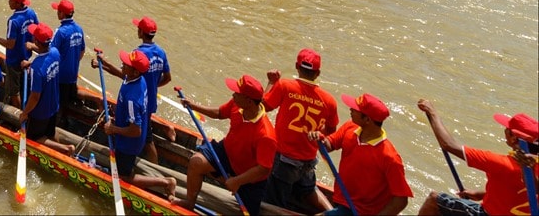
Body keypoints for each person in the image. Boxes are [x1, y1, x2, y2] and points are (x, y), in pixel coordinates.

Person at [173, 75, 277, 216]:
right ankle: (189, 203)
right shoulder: (236, 104)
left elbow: (263, 169)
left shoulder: (266, 135)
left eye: (237, 93)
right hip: (227, 153)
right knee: (196, 162)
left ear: (248, 101)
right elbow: (219, 113)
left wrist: (237, 181)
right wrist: (193, 106)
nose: (233, 95)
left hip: (249, 176)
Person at [416, 100, 538, 216]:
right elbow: (520, 191)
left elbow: (448, 145)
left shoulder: (501, 163)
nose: (505, 132)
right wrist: (481, 194)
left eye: (507, 130)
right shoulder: (533, 165)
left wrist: (432, 113)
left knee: (434, 200)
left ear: (513, 138)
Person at [310, 93, 413, 216]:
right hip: (342, 199)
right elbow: (329, 145)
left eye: (355, 109)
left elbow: (401, 200)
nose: (350, 109)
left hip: (362, 211)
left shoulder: (389, 157)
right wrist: (320, 139)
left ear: (367, 120)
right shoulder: (350, 127)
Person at [262, 49, 339, 213]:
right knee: (308, 189)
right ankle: (333, 212)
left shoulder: (284, 85)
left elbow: (262, 108)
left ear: (297, 66)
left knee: (272, 204)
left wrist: (271, 82)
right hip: (308, 160)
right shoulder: (329, 101)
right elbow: (331, 130)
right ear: (318, 73)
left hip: (284, 160)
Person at [101, 49, 177, 198]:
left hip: (128, 143)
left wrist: (113, 129)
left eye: (126, 64)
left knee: (123, 177)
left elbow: (136, 131)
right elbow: (121, 74)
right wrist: (103, 63)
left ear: (135, 72)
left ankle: (166, 182)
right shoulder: (138, 80)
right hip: (128, 135)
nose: (122, 64)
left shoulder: (132, 99)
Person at [18, 22, 75, 156]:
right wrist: (31, 63)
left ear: (36, 41)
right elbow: (45, 59)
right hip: (54, 104)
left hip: (40, 111)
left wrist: (25, 113)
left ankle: (66, 149)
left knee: (34, 138)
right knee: (50, 132)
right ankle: (63, 151)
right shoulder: (55, 52)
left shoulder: (36, 69)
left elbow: (35, 96)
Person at [0, 0, 37, 108]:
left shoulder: (13, 21)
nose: (8, 2)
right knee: (23, 86)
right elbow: (35, 35)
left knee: (14, 92)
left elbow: (10, 44)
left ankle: (17, 115)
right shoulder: (31, 13)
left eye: (10, 0)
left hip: (14, 61)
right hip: (26, 58)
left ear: (17, 3)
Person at [50, 0, 85, 127]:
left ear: (62, 13)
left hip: (61, 75)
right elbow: (82, 51)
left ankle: (56, 126)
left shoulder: (60, 32)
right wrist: (72, 63)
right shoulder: (79, 29)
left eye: (58, 11)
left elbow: (51, 53)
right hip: (73, 73)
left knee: (56, 102)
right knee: (67, 98)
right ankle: (64, 119)